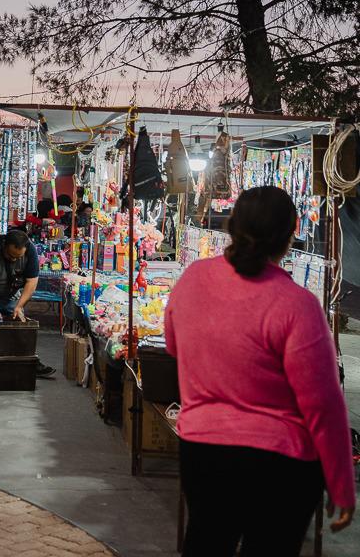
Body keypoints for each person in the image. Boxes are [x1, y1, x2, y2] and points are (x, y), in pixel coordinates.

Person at [165, 186, 354, 555]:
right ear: (292, 232)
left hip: (203, 451)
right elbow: (323, 405)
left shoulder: (193, 279)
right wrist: (342, 483)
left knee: (206, 541)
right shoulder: (297, 305)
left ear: (232, 224)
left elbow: (174, 346)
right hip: (280, 464)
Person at [0, 230, 56, 378]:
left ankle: (29, 363)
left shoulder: (30, 251)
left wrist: (19, 306)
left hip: (12, 293)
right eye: (10, 256)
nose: (13, 260)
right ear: (4, 245)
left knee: (21, 325)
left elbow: (32, 281)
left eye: (18, 257)